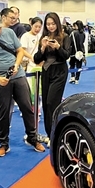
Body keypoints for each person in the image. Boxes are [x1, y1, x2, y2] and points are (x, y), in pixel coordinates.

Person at [0, 13, 45, 157]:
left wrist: (16, 64)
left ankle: (32, 138)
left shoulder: (9, 33)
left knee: (27, 107)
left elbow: (20, 51)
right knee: (3, 112)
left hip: (18, 75)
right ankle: (4, 143)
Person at [33, 12, 71, 141]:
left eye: (53, 23)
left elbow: (66, 56)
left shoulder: (65, 37)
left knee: (52, 102)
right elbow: (37, 59)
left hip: (60, 71)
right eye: (48, 24)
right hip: (46, 71)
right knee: (45, 104)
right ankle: (50, 134)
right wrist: (43, 47)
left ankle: (56, 133)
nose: (51, 26)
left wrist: (58, 47)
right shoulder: (43, 38)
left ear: (57, 24)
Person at [20, 17, 43, 105]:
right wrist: (32, 58)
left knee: (38, 87)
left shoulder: (40, 36)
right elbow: (22, 50)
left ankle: (37, 107)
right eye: (35, 26)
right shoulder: (25, 36)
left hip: (39, 65)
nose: (37, 29)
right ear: (31, 25)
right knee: (29, 86)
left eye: (39, 27)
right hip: (29, 64)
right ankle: (29, 105)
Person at [68, 20, 86, 84]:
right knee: (79, 66)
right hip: (80, 52)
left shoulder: (73, 33)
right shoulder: (83, 34)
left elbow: (70, 42)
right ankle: (77, 79)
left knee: (72, 64)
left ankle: (72, 76)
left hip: (73, 51)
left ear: (76, 25)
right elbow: (83, 42)